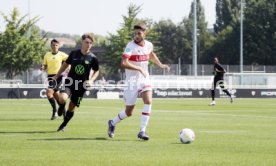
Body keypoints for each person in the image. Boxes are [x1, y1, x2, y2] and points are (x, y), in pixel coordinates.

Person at [107, 23, 170, 141]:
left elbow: (151, 54)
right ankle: (112, 122)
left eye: (139, 33)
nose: (136, 35)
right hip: (131, 81)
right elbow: (124, 63)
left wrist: (161, 65)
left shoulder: (149, 45)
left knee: (148, 100)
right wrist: (139, 68)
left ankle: (142, 131)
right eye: (135, 33)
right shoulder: (130, 46)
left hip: (144, 79)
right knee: (128, 112)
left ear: (145, 33)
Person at [53, 34, 99, 132]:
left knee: (72, 107)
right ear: (82, 42)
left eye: (91, 43)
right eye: (87, 42)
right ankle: (61, 106)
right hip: (70, 82)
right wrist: (57, 75)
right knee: (62, 98)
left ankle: (63, 125)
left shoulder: (93, 58)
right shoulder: (74, 53)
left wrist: (91, 80)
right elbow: (65, 64)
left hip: (81, 86)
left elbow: (96, 71)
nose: (89, 44)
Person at [41, 39, 68, 120]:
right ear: (51, 46)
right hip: (50, 77)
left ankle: (54, 111)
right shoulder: (47, 55)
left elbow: (69, 60)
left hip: (59, 76)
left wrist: (68, 67)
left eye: (56, 45)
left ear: (58, 46)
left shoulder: (62, 55)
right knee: (56, 97)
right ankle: (63, 111)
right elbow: (45, 66)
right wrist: (43, 67)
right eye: (53, 45)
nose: (55, 46)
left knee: (49, 93)